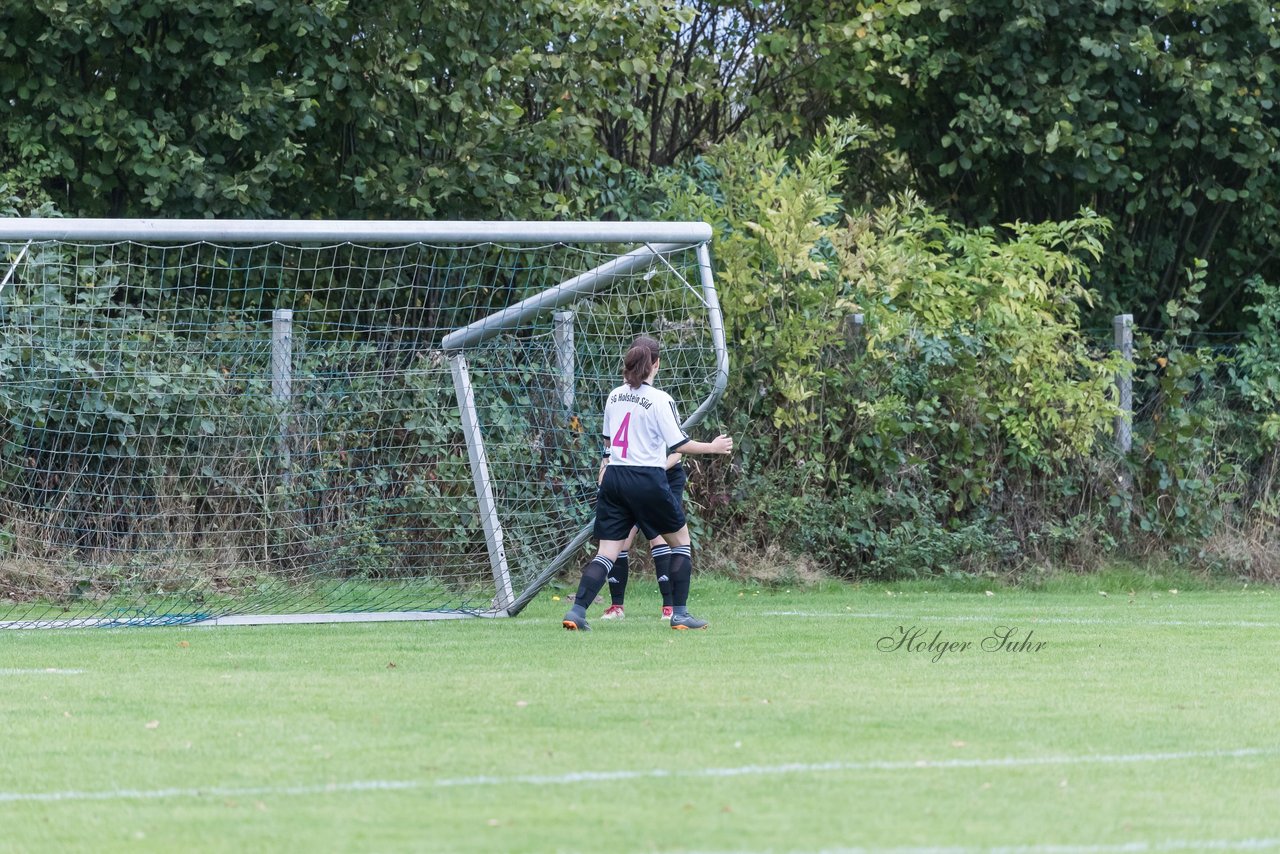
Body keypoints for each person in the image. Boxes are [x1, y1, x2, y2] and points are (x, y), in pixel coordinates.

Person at [562, 335, 731, 631]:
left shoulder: (614, 395)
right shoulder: (660, 399)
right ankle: (679, 613)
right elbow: (679, 443)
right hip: (646, 479)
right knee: (681, 542)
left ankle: (576, 611)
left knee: (607, 551)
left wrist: (603, 467)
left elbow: (608, 442)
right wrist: (713, 447)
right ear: (656, 364)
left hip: (614, 478)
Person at [599, 451, 684, 621]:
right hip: (629, 480)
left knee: (659, 537)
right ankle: (617, 607)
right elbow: (607, 454)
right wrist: (603, 479)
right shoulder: (617, 423)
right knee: (620, 542)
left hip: (662, 479)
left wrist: (654, 471)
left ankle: (669, 607)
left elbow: (678, 452)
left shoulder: (661, 423)